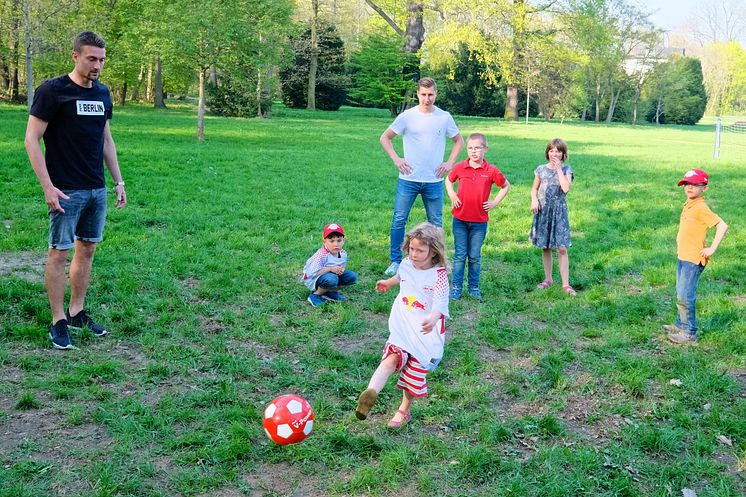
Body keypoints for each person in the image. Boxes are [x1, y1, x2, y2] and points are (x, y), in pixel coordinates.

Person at [24, 31, 127, 350]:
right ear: (75, 56)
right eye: (92, 59)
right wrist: (48, 187)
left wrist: (118, 181)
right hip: (65, 190)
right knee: (59, 252)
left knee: (87, 250)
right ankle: (58, 321)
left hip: (96, 189)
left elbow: (106, 141)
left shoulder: (102, 94)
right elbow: (31, 139)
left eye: (102, 60)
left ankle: (77, 311)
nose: (97, 65)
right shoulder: (53, 92)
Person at [355, 223, 449, 428]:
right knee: (391, 358)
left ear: (433, 252)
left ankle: (404, 410)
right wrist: (389, 282)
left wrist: (433, 318)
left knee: (411, 377)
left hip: (425, 334)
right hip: (403, 325)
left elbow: (441, 303)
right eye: (412, 248)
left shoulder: (438, 275)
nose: (414, 254)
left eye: (420, 250)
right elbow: (401, 276)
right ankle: (370, 394)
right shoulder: (406, 263)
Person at [379, 77, 464, 276]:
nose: (427, 99)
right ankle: (396, 261)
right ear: (417, 94)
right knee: (399, 219)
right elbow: (385, 138)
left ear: (436, 94)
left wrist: (449, 163)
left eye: (431, 94)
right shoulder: (407, 116)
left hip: (433, 180)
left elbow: (459, 141)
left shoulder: (444, 117)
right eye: (423, 94)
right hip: (408, 179)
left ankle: (436, 261)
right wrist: (396, 159)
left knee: (436, 223)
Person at [664, 169, 728, 344]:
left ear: (704, 188)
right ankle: (680, 324)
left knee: (686, 295)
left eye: (695, 185)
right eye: (687, 184)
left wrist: (711, 249)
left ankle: (689, 333)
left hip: (693, 259)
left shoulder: (700, 207)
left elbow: (722, 226)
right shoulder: (689, 203)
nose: (689, 187)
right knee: (680, 292)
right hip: (683, 256)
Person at [445, 133, 510, 300]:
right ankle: (456, 287)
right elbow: (448, 180)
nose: (474, 152)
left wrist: (495, 202)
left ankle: (473, 287)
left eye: (478, 148)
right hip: (459, 219)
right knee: (460, 255)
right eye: (470, 148)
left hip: (479, 222)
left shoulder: (491, 170)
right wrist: (452, 194)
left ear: (485, 149)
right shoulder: (460, 167)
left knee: (474, 256)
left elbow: (505, 185)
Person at [529, 138, 575, 296]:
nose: (554, 154)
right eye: (551, 150)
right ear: (547, 152)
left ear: (563, 154)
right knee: (546, 246)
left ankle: (566, 284)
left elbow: (565, 188)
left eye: (558, 151)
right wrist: (534, 200)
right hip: (544, 211)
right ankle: (548, 279)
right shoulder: (540, 169)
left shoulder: (567, 169)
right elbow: (534, 189)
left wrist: (558, 169)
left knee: (561, 248)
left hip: (559, 212)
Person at [301, 223, 357, 307]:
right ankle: (315, 295)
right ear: (324, 241)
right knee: (331, 279)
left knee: (351, 276)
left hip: (330, 276)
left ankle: (329, 292)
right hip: (314, 279)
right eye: (331, 241)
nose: (336, 244)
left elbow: (341, 265)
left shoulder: (343, 253)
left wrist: (340, 270)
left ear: (343, 240)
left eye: (339, 240)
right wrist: (330, 268)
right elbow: (310, 273)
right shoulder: (322, 255)